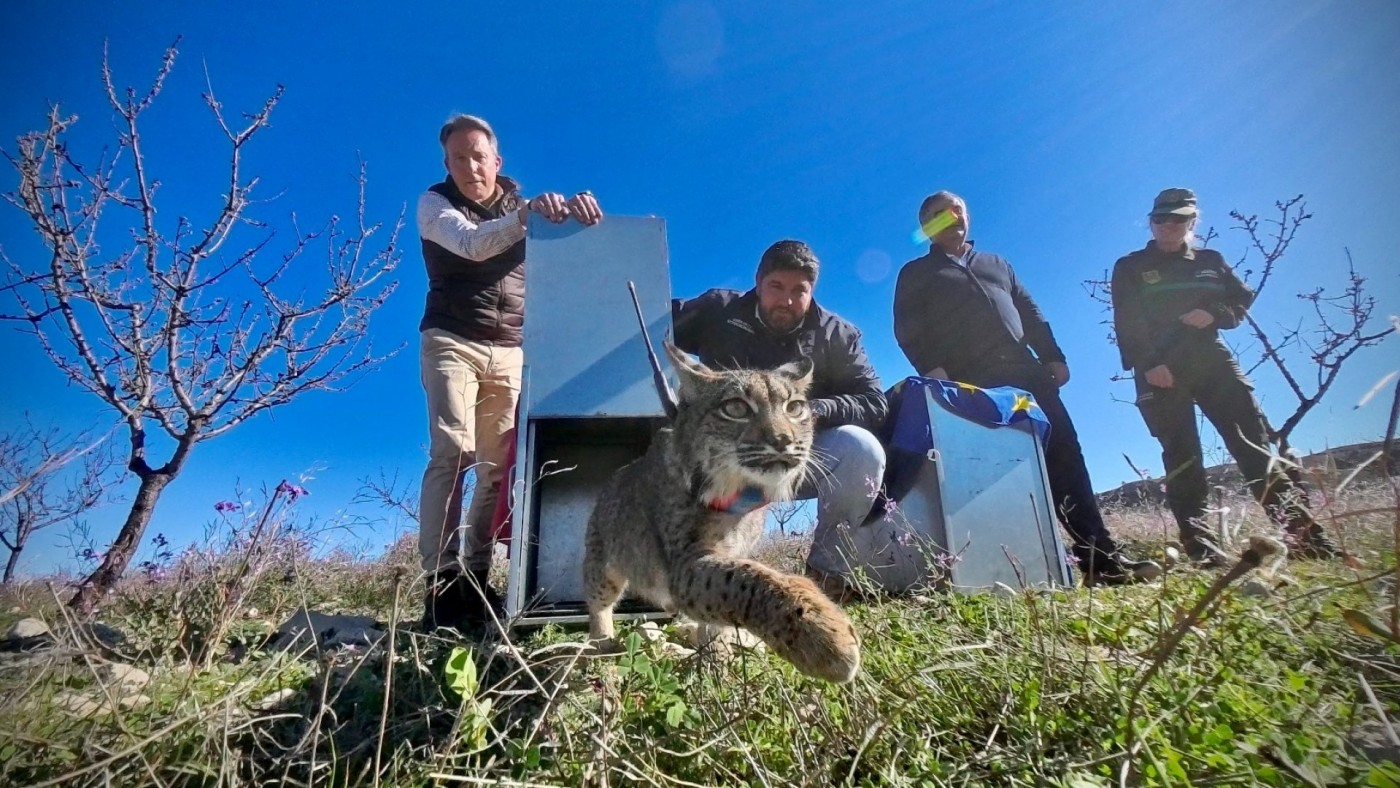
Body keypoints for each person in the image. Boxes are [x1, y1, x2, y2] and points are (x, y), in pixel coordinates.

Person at [893, 191, 1159, 586]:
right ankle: (1001, 572)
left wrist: (1053, 355)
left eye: (957, 210)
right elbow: (907, 328)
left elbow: (1030, 311)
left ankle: (1101, 563)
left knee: (1065, 456)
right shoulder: (916, 273)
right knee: (995, 471)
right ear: (927, 226)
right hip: (971, 383)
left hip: (1029, 377)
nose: (950, 218)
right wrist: (934, 370)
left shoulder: (997, 264)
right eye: (936, 215)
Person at [417, 114, 603, 630]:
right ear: (447, 164)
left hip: (509, 350)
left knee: (498, 466)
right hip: (452, 340)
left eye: (478, 155)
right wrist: (527, 218)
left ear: (497, 161)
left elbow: (574, 264)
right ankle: (439, 583)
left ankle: (475, 578)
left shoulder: (526, 210)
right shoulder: (434, 205)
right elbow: (474, 243)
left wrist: (580, 217)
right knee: (452, 454)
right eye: (458, 158)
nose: (469, 166)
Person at [1110, 188, 1340, 565]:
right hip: (1160, 369)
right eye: (1160, 219)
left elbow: (1240, 299)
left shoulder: (1210, 260)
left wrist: (1215, 313)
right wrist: (1150, 363)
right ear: (1150, 221)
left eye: (1178, 219)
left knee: (1253, 446)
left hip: (1211, 361)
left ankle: (1304, 539)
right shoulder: (1131, 266)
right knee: (1183, 458)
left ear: (1192, 221)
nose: (1168, 225)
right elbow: (1127, 320)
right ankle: (1203, 551)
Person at [673, 240, 889, 599]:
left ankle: (826, 576)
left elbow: (874, 401)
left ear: (812, 291)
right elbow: (643, 314)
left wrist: (814, 411)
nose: (786, 301)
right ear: (758, 283)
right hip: (719, 460)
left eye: (798, 291)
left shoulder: (839, 335)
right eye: (776, 287)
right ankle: (686, 572)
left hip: (794, 460)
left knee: (861, 448)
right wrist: (575, 229)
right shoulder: (716, 310)